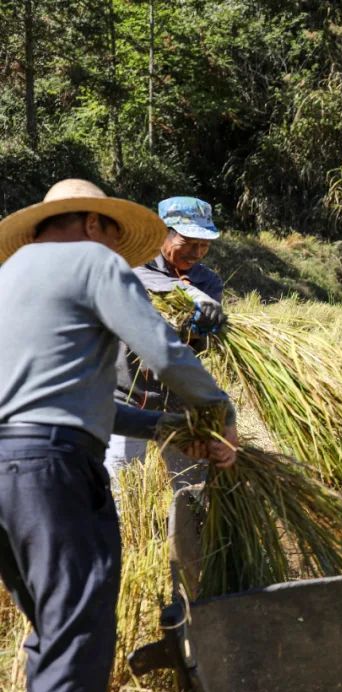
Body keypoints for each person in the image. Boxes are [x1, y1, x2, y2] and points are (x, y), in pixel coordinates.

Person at [0, 179, 239, 692]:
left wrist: (165, 429)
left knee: (51, 625)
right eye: (114, 236)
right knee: (79, 633)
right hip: (51, 470)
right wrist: (219, 410)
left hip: (10, 472)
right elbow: (165, 355)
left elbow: (64, 400)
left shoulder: (9, 276)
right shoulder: (92, 261)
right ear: (91, 223)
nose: (118, 251)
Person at [106, 196, 226, 490]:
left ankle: (186, 533)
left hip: (179, 399)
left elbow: (208, 344)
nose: (197, 252)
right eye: (188, 242)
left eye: (204, 245)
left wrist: (200, 333)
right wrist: (192, 298)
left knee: (191, 488)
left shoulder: (208, 282)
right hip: (126, 394)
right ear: (164, 232)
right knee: (121, 486)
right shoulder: (131, 266)